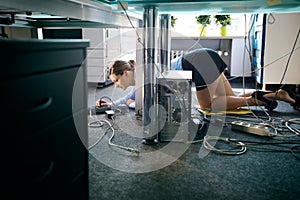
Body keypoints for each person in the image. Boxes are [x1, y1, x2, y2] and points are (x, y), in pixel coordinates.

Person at [97, 48, 299, 111]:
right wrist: (110, 104)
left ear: (124, 73)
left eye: (115, 80)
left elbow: (132, 101)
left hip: (195, 63)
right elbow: (129, 101)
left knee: (210, 106)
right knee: (230, 98)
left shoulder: (143, 77)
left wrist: (112, 105)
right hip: (204, 55)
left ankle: (258, 100)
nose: (116, 85)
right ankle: (278, 94)